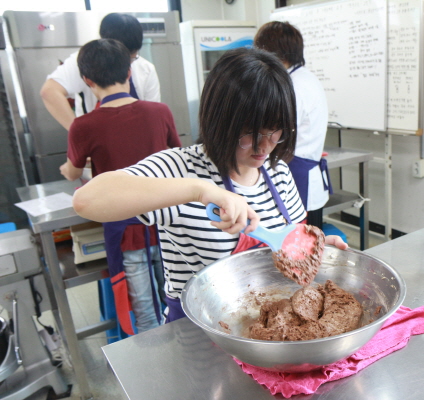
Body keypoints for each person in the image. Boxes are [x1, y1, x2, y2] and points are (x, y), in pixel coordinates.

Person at [72, 47, 347, 322]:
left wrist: (312, 252)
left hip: (269, 325)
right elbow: (86, 200)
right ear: (221, 122)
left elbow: (289, 242)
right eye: (251, 133)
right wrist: (201, 191)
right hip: (199, 333)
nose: (265, 146)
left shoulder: (278, 172)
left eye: (275, 131)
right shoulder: (180, 168)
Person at [60, 38, 181, 334]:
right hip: (166, 224)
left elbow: (73, 170)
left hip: (125, 231)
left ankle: (153, 366)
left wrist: (66, 167)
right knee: (177, 295)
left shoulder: (84, 125)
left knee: (145, 311)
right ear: (129, 72)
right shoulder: (160, 112)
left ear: (87, 80)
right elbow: (177, 157)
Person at [254, 21, 331, 229]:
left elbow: (278, 134)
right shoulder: (303, 78)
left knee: (299, 242)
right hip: (300, 168)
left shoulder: (294, 86)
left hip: (297, 174)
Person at [40, 13, 160, 131]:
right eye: (123, 59)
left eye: (132, 59)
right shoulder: (83, 61)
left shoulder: (146, 68)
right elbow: (49, 92)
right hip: (97, 139)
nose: (128, 64)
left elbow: (152, 115)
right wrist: (79, 134)